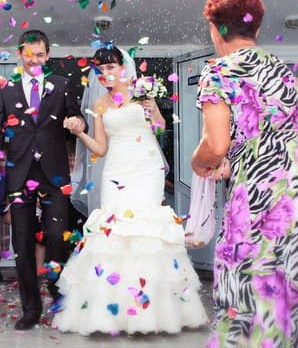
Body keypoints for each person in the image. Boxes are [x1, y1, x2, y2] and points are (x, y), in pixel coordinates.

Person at [191, 0, 298, 347]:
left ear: (214, 29)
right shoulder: (278, 68)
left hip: (263, 192)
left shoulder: (217, 72)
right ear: (258, 28)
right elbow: (283, 134)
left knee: (249, 294)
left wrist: (199, 161)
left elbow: (215, 145)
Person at [55, 45, 207, 335]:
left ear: (123, 68)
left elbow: (160, 128)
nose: (105, 74)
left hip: (146, 168)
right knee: (113, 232)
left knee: (147, 232)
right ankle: (111, 314)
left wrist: (153, 110)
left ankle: (152, 312)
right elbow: (100, 148)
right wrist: (80, 133)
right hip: (115, 170)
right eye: (100, 70)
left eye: (110, 68)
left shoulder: (141, 92)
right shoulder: (99, 103)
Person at [0, 29, 87, 330]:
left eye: (40, 55)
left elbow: (79, 120)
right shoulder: (7, 89)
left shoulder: (62, 85)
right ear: (20, 54)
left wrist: (77, 122)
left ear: (48, 55)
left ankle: (57, 293)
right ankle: (31, 308)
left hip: (54, 174)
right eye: (29, 55)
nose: (35, 60)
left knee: (57, 237)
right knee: (23, 242)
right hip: (19, 173)